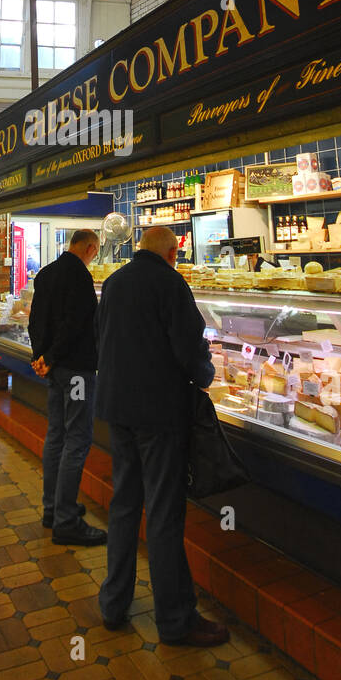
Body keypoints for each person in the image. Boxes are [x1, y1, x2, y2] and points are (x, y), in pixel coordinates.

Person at [95, 226, 230, 647]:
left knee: (124, 505)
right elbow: (190, 348)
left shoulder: (114, 282)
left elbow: (103, 337)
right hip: (158, 413)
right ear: (173, 253)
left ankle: (113, 604)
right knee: (164, 513)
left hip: (118, 408)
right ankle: (175, 620)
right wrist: (206, 375)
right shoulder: (171, 283)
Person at [28, 228, 106, 546]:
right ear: (89, 248)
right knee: (77, 439)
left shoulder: (46, 273)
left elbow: (35, 321)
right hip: (76, 372)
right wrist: (52, 356)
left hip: (56, 370)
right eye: (95, 252)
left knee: (56, 436)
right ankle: (66, 521)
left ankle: (53, 508)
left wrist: (41, 357)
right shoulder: (81, 277)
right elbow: (75, 326)